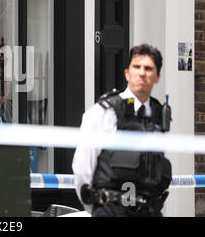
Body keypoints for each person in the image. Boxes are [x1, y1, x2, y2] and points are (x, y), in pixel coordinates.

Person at [72, 44, 172, 217]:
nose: (142, 73)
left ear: (157, 77)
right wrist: (96, 207)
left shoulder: (158, 115)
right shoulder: (103, 112)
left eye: (148, 69)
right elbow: (82, 168)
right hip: (112, 210)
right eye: (137, 67)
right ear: (127, 73)